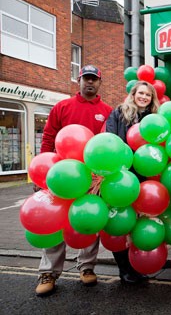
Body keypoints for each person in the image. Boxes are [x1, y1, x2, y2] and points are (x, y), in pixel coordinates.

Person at [35, 65, 113, 296]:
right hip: (61, 174)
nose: (89, 82)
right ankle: (48, 272)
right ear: (79, 81)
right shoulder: (62, 106)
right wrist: (42, 171)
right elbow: (48, 137)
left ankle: (87, 267)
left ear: (99, 83)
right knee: (56, 221)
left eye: (94, 79)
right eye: (85, 78)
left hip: (92, 178)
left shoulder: (107, 111)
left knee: (89, 218)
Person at [105, 80, 160, 284]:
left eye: (148, 95)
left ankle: (137, 267)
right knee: (121, 222)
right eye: (141, 93)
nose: (144, 97)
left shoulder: (154, 118)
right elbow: (110, 139)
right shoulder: (119, 113)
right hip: (122, 176)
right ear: (133, 94)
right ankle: (124, 270)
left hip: (146, 177)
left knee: (138, 223)